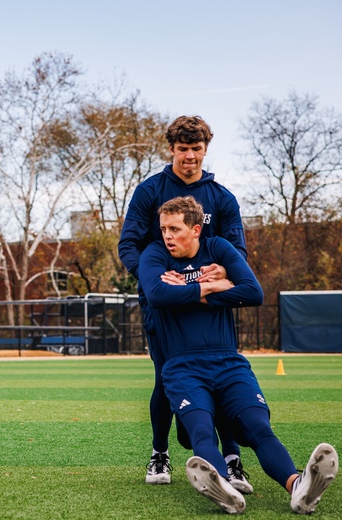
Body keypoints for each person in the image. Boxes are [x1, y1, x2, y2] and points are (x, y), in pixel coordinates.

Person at [139, 195, 338, 514]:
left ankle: (298, 486)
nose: (167, 236)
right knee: (202, 429)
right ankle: (225, 488)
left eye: (175, 229)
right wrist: (212, 287)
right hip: (182, 366)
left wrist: (189, 292)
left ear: (195, 229)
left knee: (258, 426)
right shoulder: (154, 253)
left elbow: (253, 292)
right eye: (163, 229)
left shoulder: (217, 247)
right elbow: (158, 294)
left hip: (228, 362)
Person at [118, 115, 251, 490]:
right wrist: (151, 278)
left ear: (205, 149)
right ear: (171, 149)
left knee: (223, 379)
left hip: (212, 304)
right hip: (165, 306)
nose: (189, 157)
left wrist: (220, 279)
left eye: (196, 149)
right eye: (182, 150)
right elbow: (128, 244)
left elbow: (237, 249)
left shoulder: (222, 197)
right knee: (166, 378)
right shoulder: (149, 191)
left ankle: (232, 458)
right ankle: (160, 455)